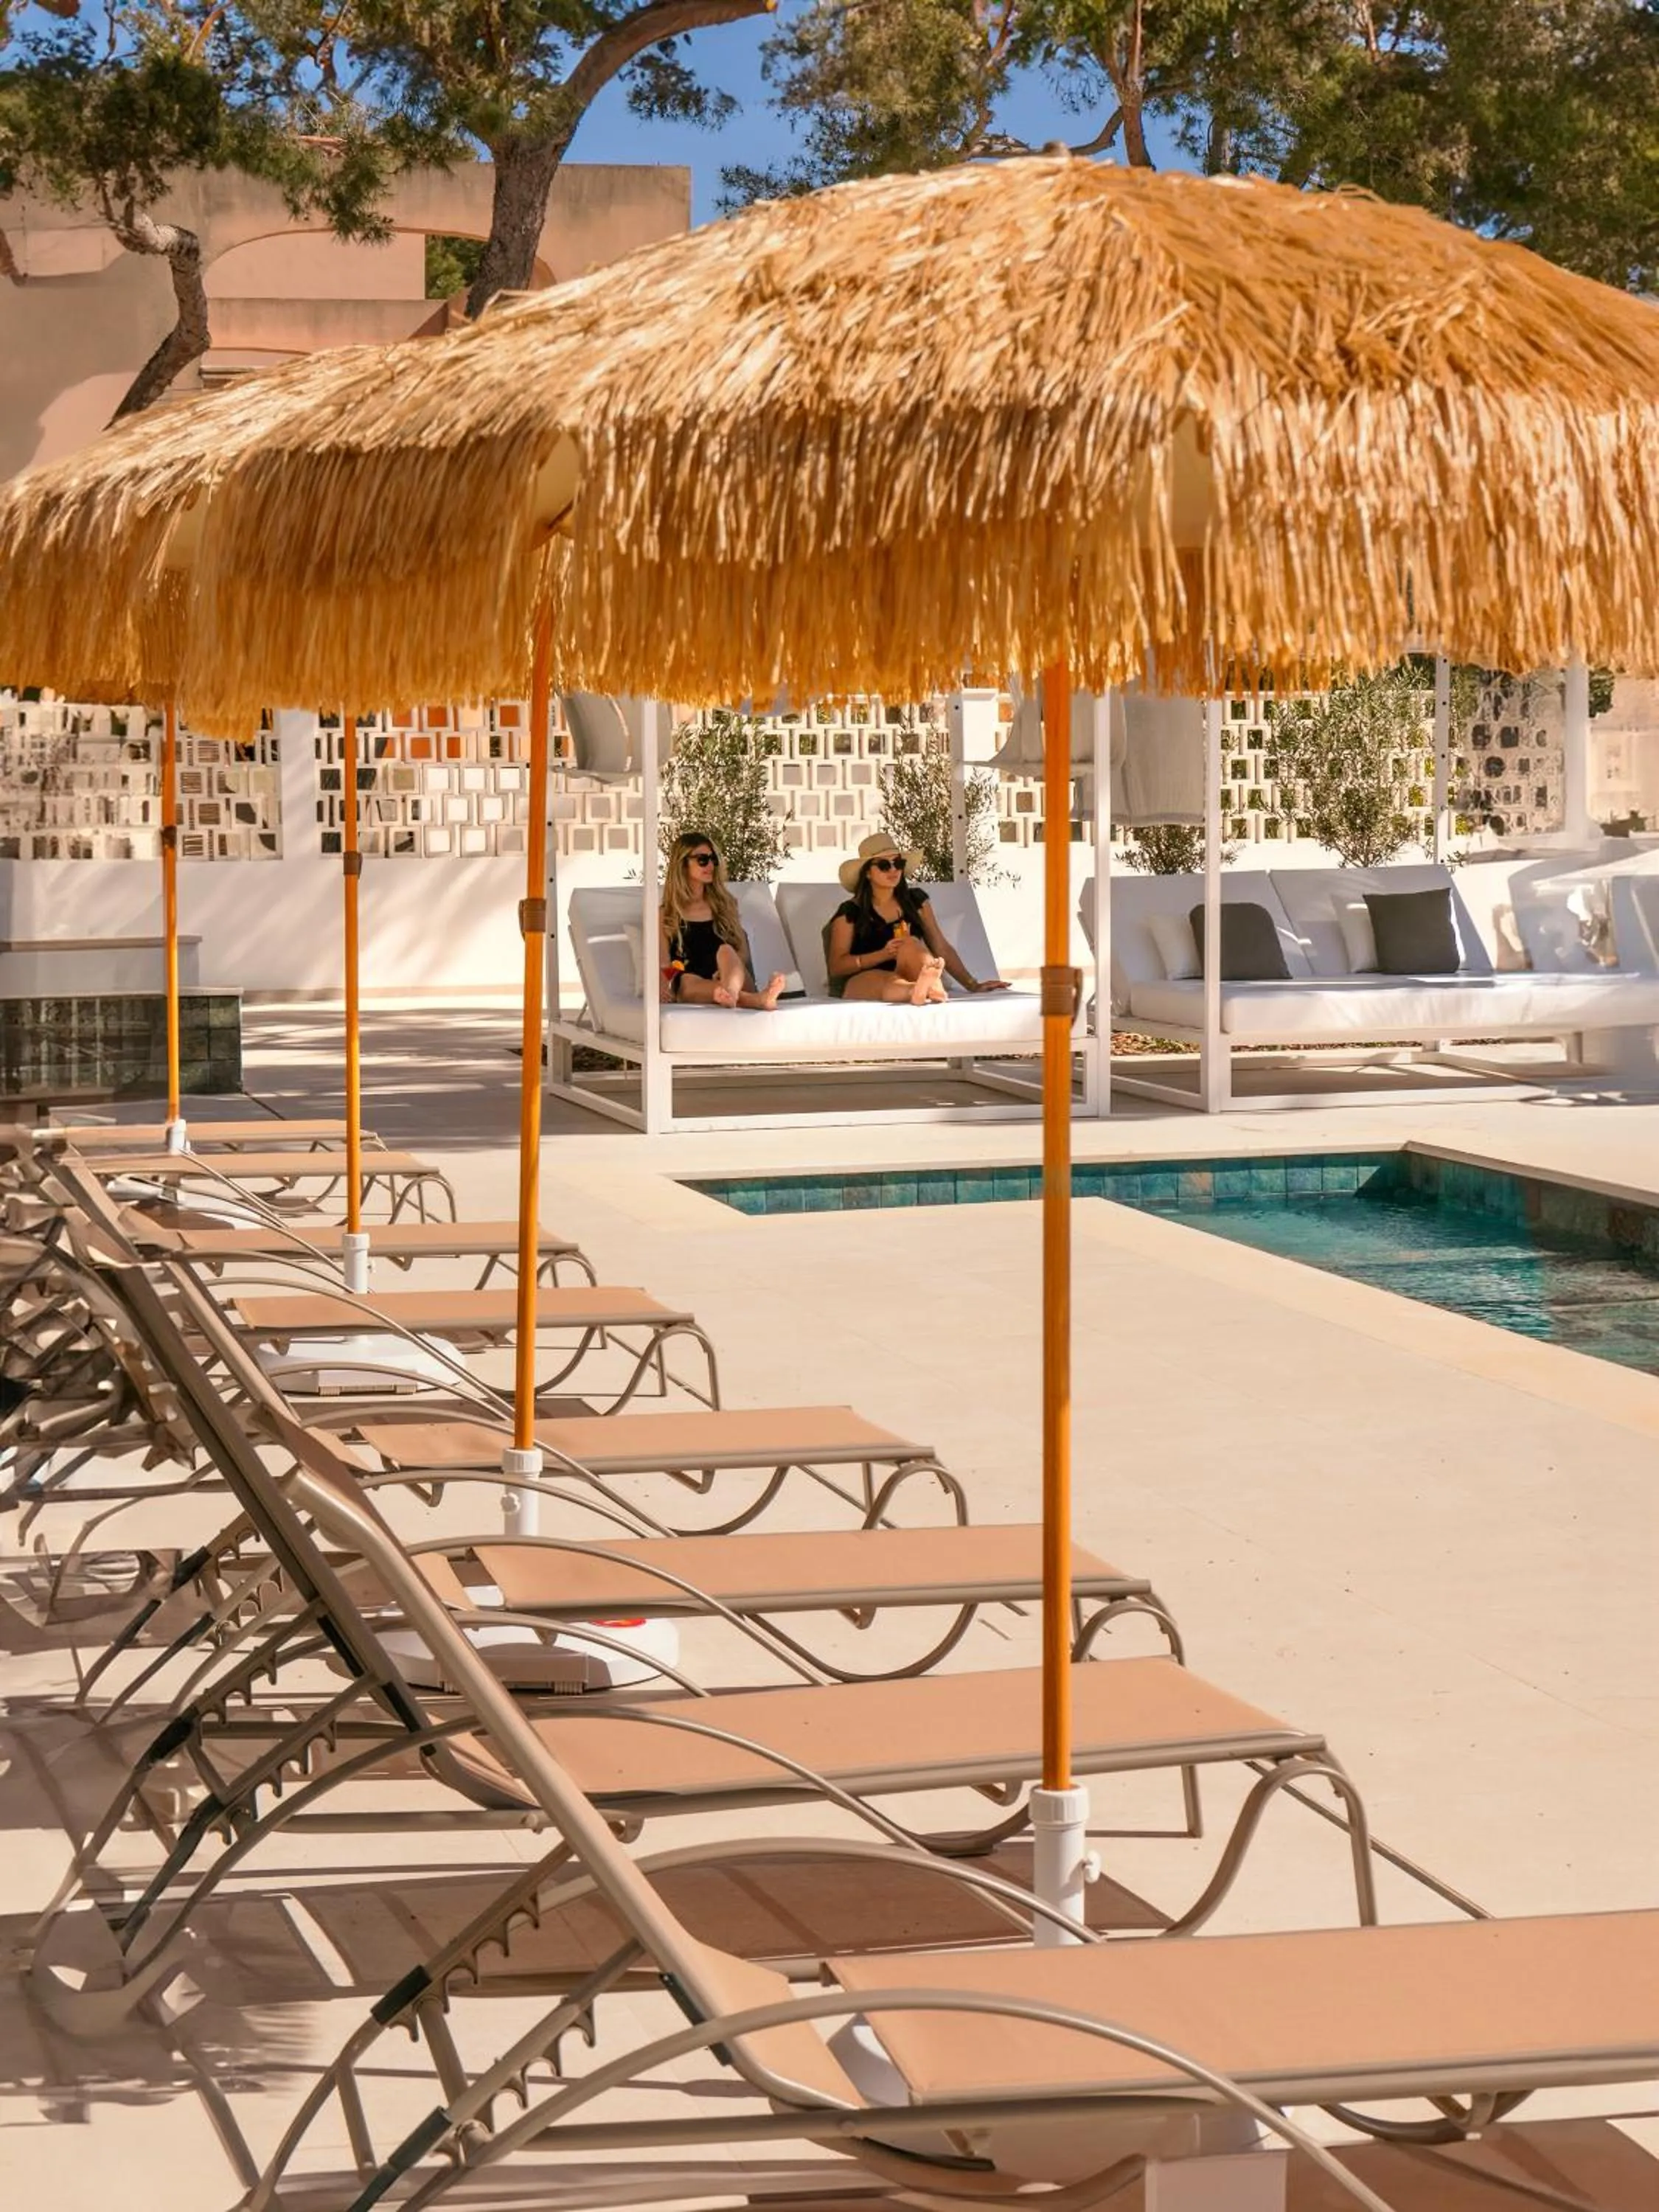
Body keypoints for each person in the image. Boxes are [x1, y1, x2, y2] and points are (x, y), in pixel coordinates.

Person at [827, 834, 1010, 1004]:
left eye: (898, 863)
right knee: (889, 980)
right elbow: (837, 967)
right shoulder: (851, 912)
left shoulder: (916, 902)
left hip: (910, 970)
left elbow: (940, 946)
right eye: (884, 865)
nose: (893, 870)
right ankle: (919, 990)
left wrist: (973, 985)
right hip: (863, 978)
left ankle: (928, 989)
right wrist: (883, 954)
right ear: (867, 873)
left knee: (911, 943)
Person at [658, 832, 787, 1009]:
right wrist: (664, 986)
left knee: (727, 951)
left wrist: (724, 974)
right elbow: (664, 960)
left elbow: (741, 952)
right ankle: (753, 999)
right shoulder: (667, 913)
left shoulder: (725, 904)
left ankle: (730, 995)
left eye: (713, 859)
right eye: (702, 860)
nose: (710, 865)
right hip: (692, 983)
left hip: (729, 973)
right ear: (683, 864)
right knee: (687, 980)